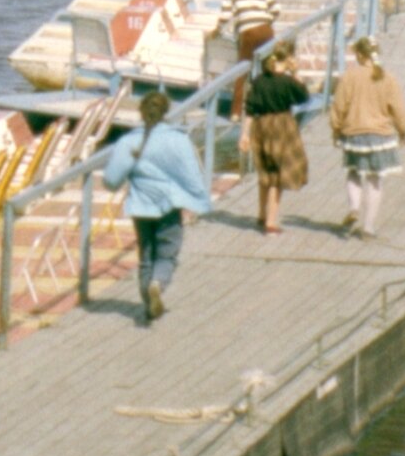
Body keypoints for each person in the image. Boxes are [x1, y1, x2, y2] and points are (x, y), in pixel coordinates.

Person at [98, 86, 214, 323]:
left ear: (141, 113)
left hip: (140, 207)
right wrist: (200, 202)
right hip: (169, 207)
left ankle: (147, 303)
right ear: (165, 112)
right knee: (167, 255)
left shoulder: (129, 141)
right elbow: (192, 176)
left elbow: (111, 180)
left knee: (146, 256)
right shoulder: (178, 140)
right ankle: (157, 285)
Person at [331, 36, 405, 234]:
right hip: (380, 136)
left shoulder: (349, 77)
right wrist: (403, 131)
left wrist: (336, 129)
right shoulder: (388, 78)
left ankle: (354, 208)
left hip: (354, 134)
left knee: (353, 172)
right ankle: (368, 227)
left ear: (359, 54)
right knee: (375, 180)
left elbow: (338, 107)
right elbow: (398, 109)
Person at [242, 36, 313, 236]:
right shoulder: (288, 82)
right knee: (277, 177)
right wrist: (296, 72)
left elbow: (250, 109)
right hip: (282, 126)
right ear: (287, 60)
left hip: (261, 126)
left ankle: (261, 213)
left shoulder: (258, 81)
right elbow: (304, 97)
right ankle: (271, 222)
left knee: (264, 172)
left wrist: (244, 135)